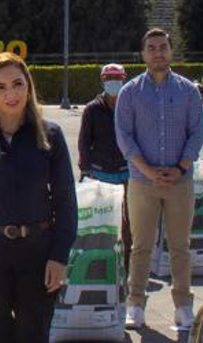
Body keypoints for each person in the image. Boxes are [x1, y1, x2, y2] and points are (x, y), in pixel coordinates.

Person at [0, 52, 77, 343]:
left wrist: (59, 257)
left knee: (34, 333)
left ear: (29, 87)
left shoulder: (50, 136)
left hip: (37, 253)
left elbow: (65, 202)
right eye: (1, 87)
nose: (11, 94)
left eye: (18, 84)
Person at [115, 28, 203, 330]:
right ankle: (135, 304)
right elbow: (125, 137)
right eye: (151, 48)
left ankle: (183, 306)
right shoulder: (130, 92)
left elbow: (197, 133)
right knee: (140, 245)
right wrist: (150, 170)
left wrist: (180, 168)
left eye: (163, 47)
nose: (157, 52)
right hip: (143, 181)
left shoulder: (188, 91)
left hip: (180, 180)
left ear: (171, 51)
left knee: (180, 245)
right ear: (143, 54)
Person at [78, 62, 132, 271]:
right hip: (100, 172)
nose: (113, 83)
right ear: (102, 81)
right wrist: (85, 169)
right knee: (102, 220)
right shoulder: (92, 109)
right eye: (109, 80)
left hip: (126, 171)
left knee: (128, 221)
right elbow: (84, 141)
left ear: (124, 80)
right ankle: (101, 260)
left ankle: (125, 263)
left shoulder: (129, 106)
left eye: (117, 79)